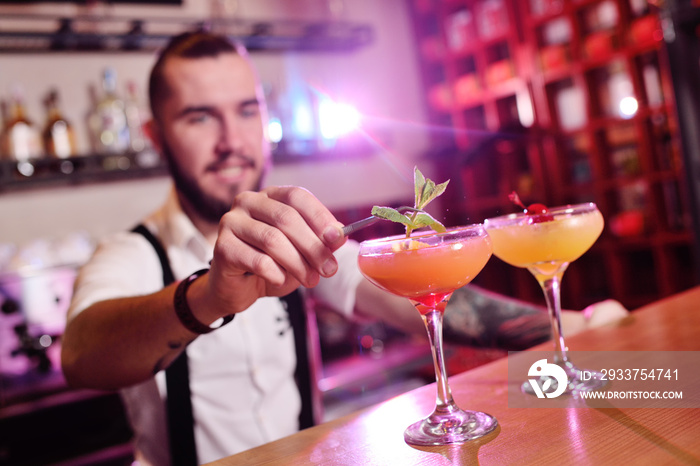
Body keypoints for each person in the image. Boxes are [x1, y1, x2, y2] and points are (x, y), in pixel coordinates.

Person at [61, 31, 626, 465]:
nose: (232, 140)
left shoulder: (295, 234)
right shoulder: (129, 253)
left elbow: (416, 296)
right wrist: (208, 295)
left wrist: (570, 329)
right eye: (199, 116)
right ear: (156, 135)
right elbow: (82, 357)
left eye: (246, 110)